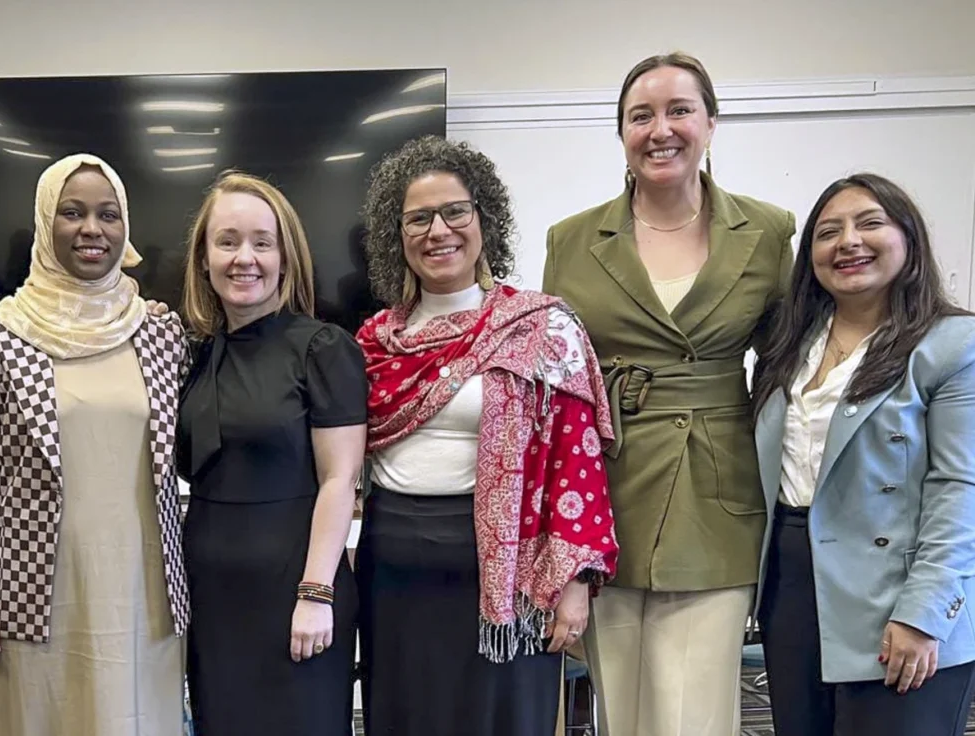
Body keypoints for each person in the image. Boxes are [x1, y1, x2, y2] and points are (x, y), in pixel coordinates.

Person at [542, 51, 796, 736]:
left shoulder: (769, 233)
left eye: (680, 110)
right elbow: (560, 390)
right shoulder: (570, 240)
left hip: (717, 491)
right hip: (607, 492)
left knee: (693, 712)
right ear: (621, 132)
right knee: (618, 704)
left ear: (711, 123)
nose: (661, 129)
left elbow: (785, 370)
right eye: (641, 115)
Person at [356, 135, 618, 736]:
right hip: (394, 572)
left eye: (455, 212)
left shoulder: (542, 327)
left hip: (507, 576)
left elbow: (577, 465)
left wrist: (575, 582)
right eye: (417, 218)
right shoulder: (373, 343)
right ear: (396, 235)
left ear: (484, 220)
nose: (437, 231)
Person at [0, 153, 189, 735]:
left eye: (108, 215)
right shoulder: (2, 333)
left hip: (144, 588)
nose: (92, 229)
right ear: (44, 223)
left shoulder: (159, 331)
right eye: (72, 213)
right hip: (33, 590)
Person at [751, 173, 975, 734]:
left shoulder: (952, 345)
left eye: (870, 223)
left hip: (897, 593)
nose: (848, 241)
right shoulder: (788, 345)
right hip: (792, 583)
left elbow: (960, 490)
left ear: (909, 239)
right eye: (828, 232)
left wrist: (923, 616)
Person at [175, 171, 366, 735]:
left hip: (296, 590)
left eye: (263, 242)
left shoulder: (322, 348)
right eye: (227, 241)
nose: (245, 258)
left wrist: (315, 593)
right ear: (204, 257)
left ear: (286, 255)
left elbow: (340, 479)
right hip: (210, 596)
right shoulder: (195, 355)